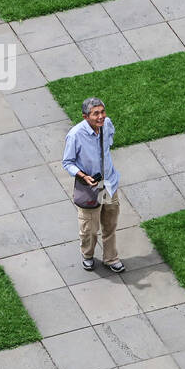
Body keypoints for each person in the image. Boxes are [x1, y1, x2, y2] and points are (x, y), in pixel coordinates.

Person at [61, 97, 124, 273]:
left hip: (109, 184)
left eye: (102, 112)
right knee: (89, 228)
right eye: (96, 113)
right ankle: (87, 255)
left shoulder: (107, 124)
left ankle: (111, 258)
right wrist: (83, 175)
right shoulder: (75, 135)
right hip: (90, 188)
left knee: (110, 223)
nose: (101, 116)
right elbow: (67, 162)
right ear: (85, 116)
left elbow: (109, 142)